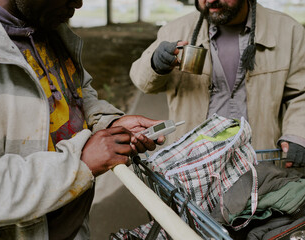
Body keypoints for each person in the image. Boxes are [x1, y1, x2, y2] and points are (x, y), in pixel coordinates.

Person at [0, 0, 165, 239]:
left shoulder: (47, 26)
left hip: (73, 227)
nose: (79, 4)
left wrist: (109, 125)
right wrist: (79, 163)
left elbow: (77, 91)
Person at [130, 0, 305, 168]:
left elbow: (301, 94)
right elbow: (143, 83)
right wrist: (155, 64)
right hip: (192, 166)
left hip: (259, 162)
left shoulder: (288, 32)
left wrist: (298, 135)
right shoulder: (175, 31)